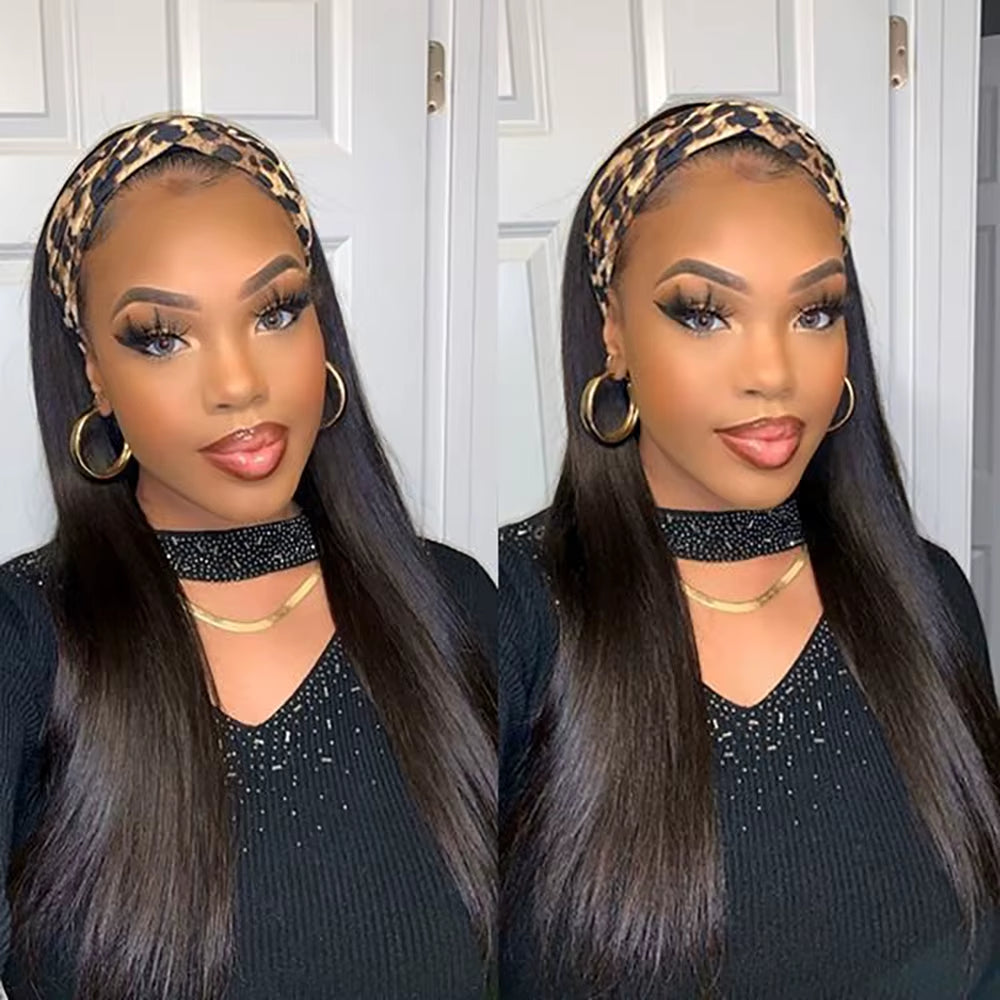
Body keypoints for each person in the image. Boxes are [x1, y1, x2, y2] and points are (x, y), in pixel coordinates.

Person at [499, 99, 999, 998]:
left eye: (814, 313)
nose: (774, 373)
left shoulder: (929, 597)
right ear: (612, 329)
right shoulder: (512, 612)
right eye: (704, 313)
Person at [0, 114, 496, 999]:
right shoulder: (24, 639)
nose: (238, 384)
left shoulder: (457, 605)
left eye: (275, 312)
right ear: (93, 372)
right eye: (162, 336)